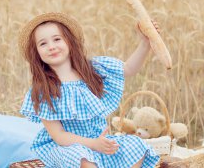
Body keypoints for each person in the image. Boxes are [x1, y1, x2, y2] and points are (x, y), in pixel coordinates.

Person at [19, 12, 160, 168]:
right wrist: (93, 144)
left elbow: (128, 68)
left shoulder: (93, 69)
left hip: (99, 140)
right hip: (66, 147)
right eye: (43, 43)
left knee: (136, 145)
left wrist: (145, 43)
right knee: (83, 159)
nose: (51, 47)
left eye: (57, 39)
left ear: (69, 42)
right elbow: (59, 136)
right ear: (36, 52)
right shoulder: (42, 91)